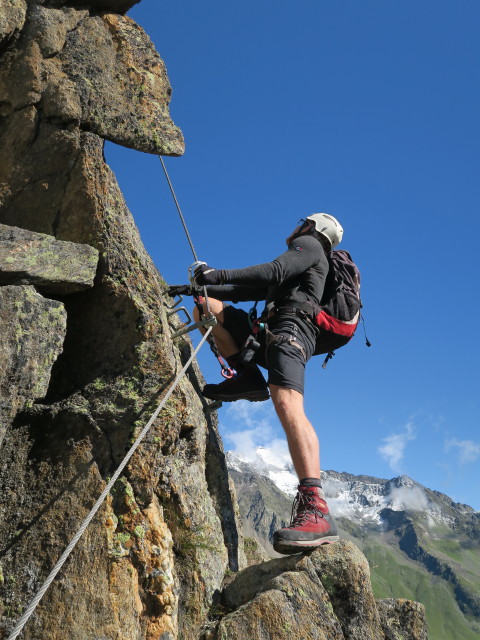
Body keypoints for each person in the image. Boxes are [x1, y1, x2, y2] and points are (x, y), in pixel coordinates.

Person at [169, 213, 343, 553]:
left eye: (301, 221)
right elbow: (247, 288)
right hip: (269, 332)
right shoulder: (304, 260)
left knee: (288, 403)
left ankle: (316, 508)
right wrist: (200, 287)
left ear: (312, 227)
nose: (295, 225)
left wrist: (212, 273)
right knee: (208, 307)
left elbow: (273, 271)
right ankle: (247, 379)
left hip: (291, 331)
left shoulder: (309, 245)